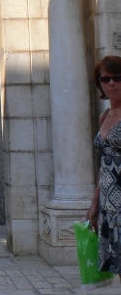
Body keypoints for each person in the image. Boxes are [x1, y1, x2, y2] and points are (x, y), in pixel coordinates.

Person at [87, 55, 121, 277]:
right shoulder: (104, 117)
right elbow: (103, 165)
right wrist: (94, 203)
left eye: (117, 78)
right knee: (117, 264)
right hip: (109, 203)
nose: (111, 83)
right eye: (105, 79)